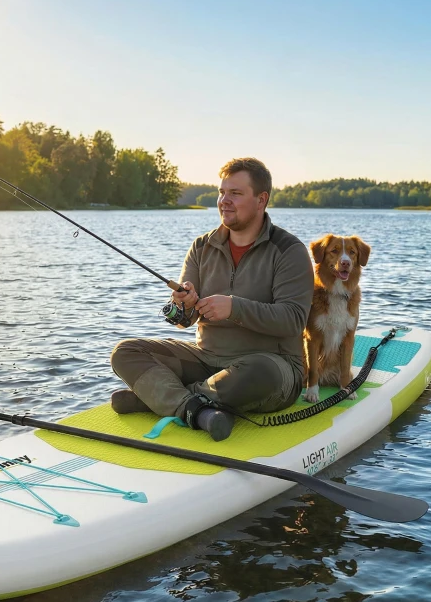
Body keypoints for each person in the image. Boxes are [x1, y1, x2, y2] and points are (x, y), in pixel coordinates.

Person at [109, 157, 314, 441]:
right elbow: (184, 320)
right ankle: (195, 409)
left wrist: (234, 307)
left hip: (271, 367)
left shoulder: (289, 251)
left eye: (236, 193)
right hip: (206, 360)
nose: (224, 201)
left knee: (259, 372)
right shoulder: (201, 247)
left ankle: (160, 399)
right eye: (222, 192)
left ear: (261, 200)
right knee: (125, 352)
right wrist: (182, 305)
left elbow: (293, 320)